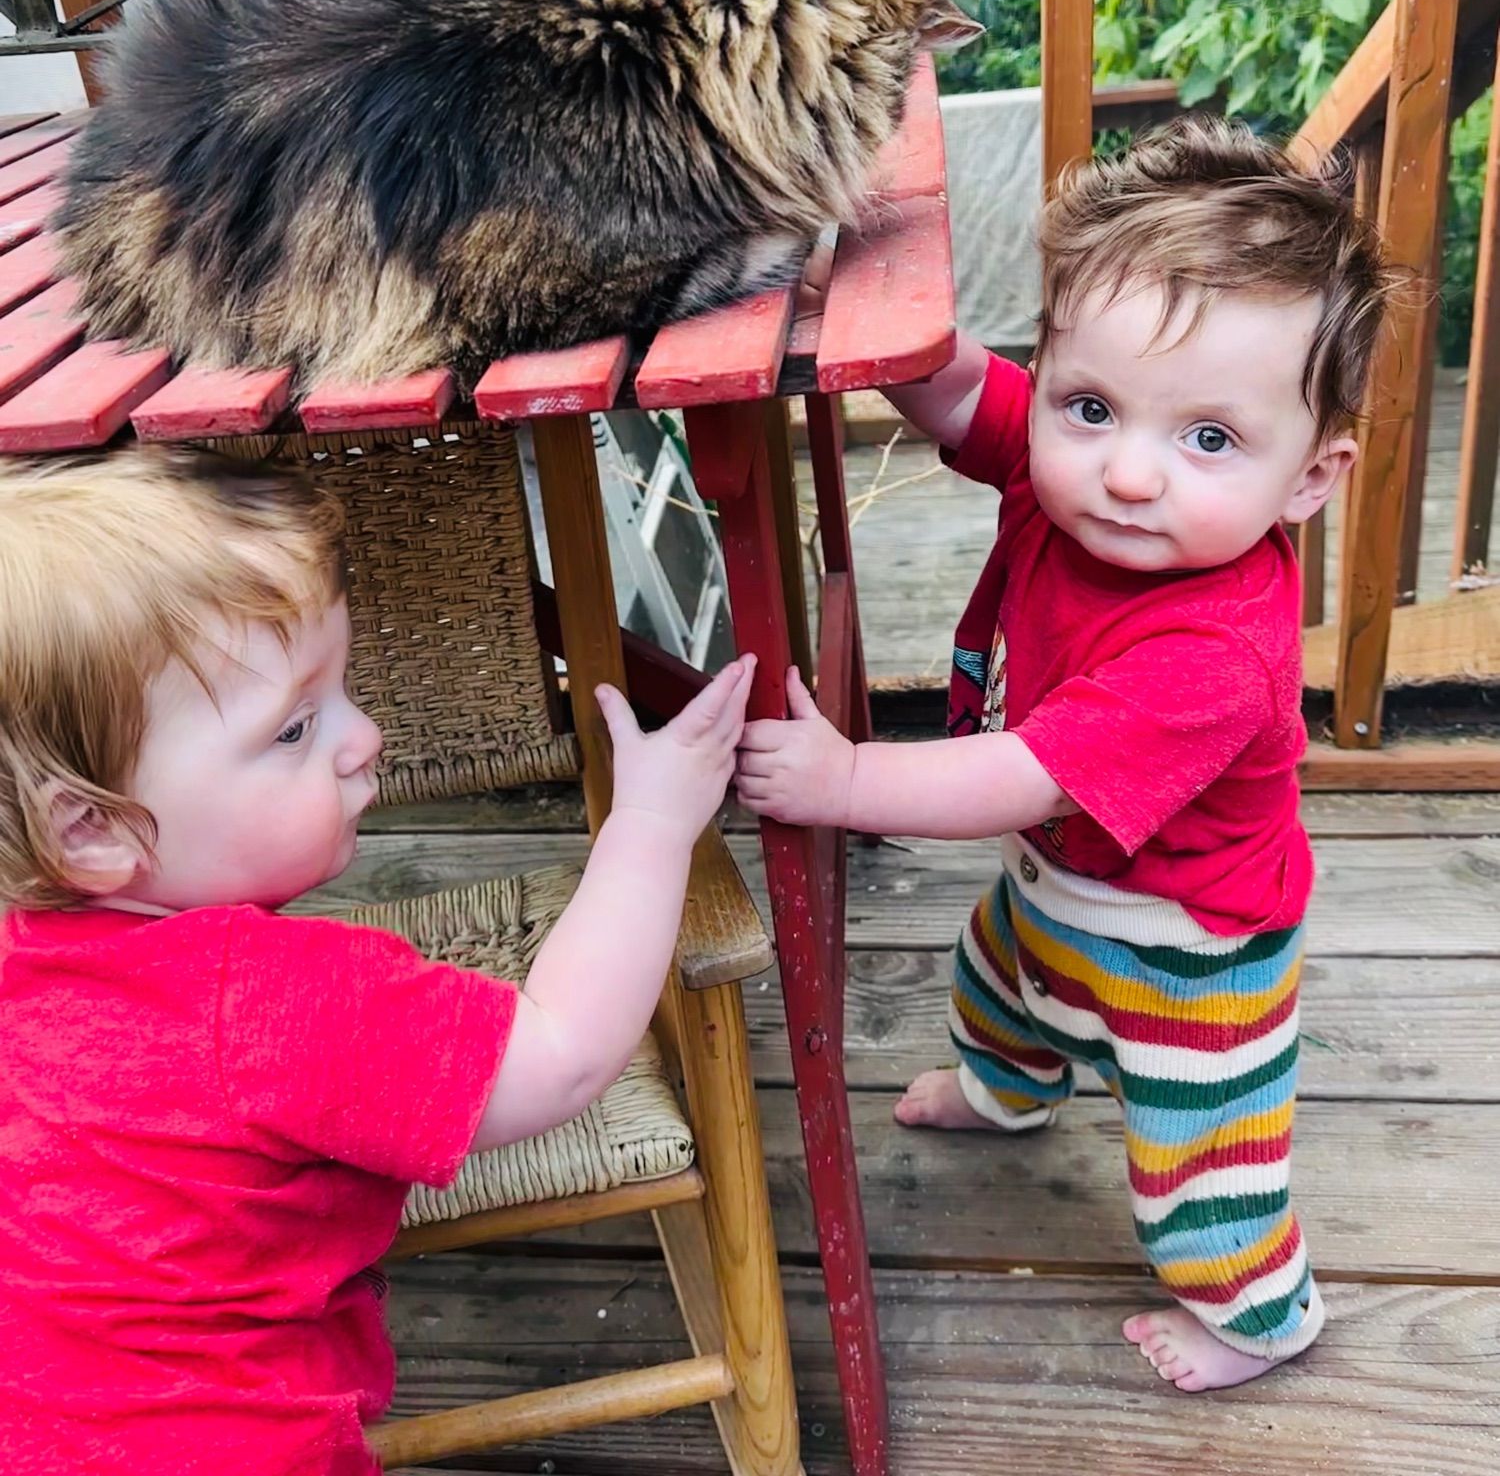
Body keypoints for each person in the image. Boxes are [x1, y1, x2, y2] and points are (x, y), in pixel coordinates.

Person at [737, 118, 1392, 1392]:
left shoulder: (1211, 653)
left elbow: (1019, 773)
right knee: (996, 975)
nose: (1129, 470)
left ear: (1312, 476)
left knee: (1201, 1173)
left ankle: (1267, 1315)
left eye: (1210, 438)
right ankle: (1007, 1090)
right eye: (1092, 403)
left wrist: (848, 782)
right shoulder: (1069, 468)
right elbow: (964, 392)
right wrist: (866, 312)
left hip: (1191, 953)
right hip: (1063, 884)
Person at [0, 444, 753, 1472]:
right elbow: (563, 1051)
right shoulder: (271, 1000)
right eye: (296, 727)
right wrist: (653, 824)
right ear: (90, 829)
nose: (365, 736)